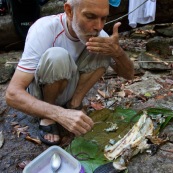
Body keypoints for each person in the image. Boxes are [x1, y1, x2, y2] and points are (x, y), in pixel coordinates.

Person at [5, 0, 134, 146]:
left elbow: (129, 75)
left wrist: (118, 53)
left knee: (104, 48)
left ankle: (74, 105)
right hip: (41, 92)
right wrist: (59, 114)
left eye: (103, 18)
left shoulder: (100, 34)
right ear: (69, 11)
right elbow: (12, 94)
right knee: (57, 56)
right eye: (90, 16)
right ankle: (48, 117)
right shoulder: (44, 29)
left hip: (69, 85)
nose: (98, 26)